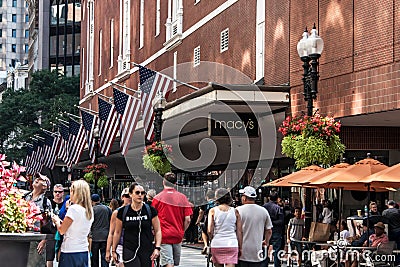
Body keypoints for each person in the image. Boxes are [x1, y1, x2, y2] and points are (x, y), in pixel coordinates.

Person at [112, 183, 162, 267]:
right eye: (137, 192)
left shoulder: (150, 210)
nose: (140, 195)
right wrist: (113, 250)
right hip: (129, 249)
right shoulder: (123, 212)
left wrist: (157, 248)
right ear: (131, 194)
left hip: (146, 249)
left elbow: (158, 230)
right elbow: (117, 232)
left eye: (142, 193)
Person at [152, 172, 193, 267]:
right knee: (173, 262)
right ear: (175, 183)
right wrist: (182, 230)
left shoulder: (158, 198)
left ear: (163, 182)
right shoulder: (182, 198)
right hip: (178, 234)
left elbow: (153, 218)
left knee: (168, 262)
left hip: (164, 235)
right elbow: (188, 219)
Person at [51, 180, 94, 267]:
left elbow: (62, 230)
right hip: (83, 250)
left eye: (71, 191)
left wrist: (56, 221)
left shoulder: (73, 209)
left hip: (70, 251)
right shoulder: (89, 211)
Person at [236, 186, 272, 267]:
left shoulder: (238, 210)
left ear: (244, 198)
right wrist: (266, 241)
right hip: (257, 254)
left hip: (241, 254)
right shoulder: (263, 211)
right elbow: (269, 231)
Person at [208, 188, 243, 267]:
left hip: (217, 243)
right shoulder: (235, 211)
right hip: (231, 243)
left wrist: (211, 240)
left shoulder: (212, 211)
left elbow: (210, 230)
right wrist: (240, 247)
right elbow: (239, 231)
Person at [24, 173, 53, 266]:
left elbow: (48, 224)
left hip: (36, 240)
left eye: (41, 179)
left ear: (45, 186)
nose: (37, 179)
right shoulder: (25, 197)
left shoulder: (45, 202)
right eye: (37, 178)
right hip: (22, 237)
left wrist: (43, 241)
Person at [106, 188, 132, 266]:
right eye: (127, 196)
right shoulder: (117, 212)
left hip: (134, 246)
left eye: (131, 195)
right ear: (122, 197)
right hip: (120, 246)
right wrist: (108, 251)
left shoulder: (138, 211)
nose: (129, 198)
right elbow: (111, 232)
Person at [263, 191, 284, 267]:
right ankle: (277, 265)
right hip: (276, 231)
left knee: (265, 248)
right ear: (277, 198)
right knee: (277, 250)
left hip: (265, 231)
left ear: (269, 198)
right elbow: (281, 221)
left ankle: (264, 264)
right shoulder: (278, 208)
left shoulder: (264, 207)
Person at [91, 193, 112, 267]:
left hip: (94, 237)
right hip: (105, 236)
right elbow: (111, 221)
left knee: (94, 258)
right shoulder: (107, 209)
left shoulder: (92, 210)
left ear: (92, 201)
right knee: (105, 257)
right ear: (99, 200)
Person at [45, 184, 64, 267]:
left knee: (62, 256)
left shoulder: (66, 204)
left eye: (59, 192)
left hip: (63, 232)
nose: (57, 194)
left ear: (63, 193)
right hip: (51, 233)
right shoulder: (48, 203)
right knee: (49, 257)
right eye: (55, 192)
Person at [195, 189, 215, 254]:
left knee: (203, 231)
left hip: (207, 221)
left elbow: (201, 213)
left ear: (207, 197)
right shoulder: (216, 203)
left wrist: (197, 221)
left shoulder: (205, 203)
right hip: (215, 221)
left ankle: (206, 245)